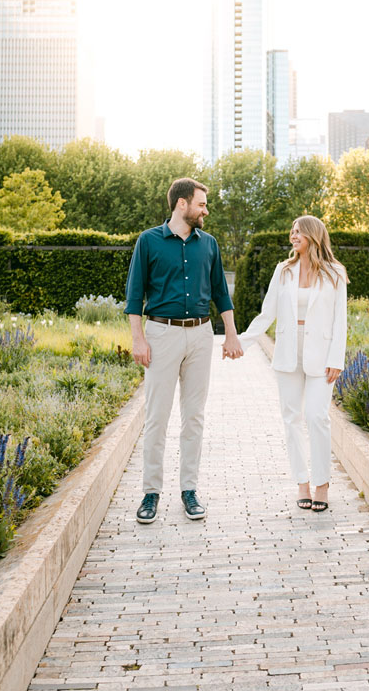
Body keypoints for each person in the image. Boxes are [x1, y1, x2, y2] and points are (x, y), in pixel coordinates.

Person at [125, 178, 243, 524]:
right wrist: (138, 340)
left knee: (194, 417)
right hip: (161, 334)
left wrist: (231, 335)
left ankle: (189, 490)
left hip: (201, 335)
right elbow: (134, 296)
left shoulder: (209, 244)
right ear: (182, 204)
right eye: (202, 204)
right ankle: (151, 494)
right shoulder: (148, 242)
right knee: (157, 417)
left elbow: (221, 292)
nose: (206, 210)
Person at [237, 215, 348, 512]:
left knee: (317, 417)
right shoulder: (283, 271)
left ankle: (322, 484)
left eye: (298, 232)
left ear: (313, 235)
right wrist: (242, 341)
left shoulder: (335, 273)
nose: (293, 236)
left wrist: (337, 358)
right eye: (292, 232)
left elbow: (341, 321)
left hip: (322, 356)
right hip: (288, 351)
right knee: (291, 420)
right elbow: (267, 313)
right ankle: (302, 483)